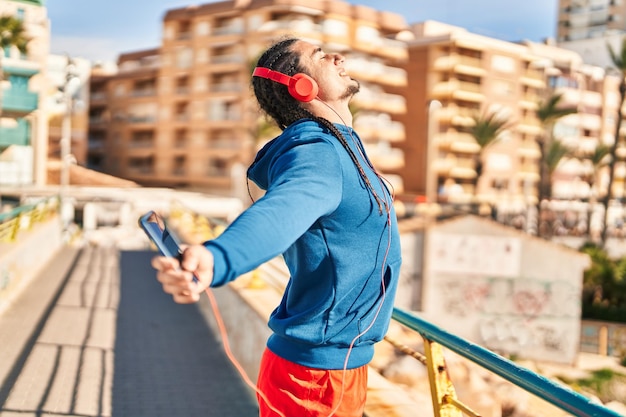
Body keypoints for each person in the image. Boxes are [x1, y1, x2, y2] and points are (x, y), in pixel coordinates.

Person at [150, 37, 402, 417]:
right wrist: (217, 258)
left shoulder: (343, 147)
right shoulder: (319, 152)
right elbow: (282, 210)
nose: (338, 56)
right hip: (318, 376)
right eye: (320, 56)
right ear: (302, 86)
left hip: (340, 364)